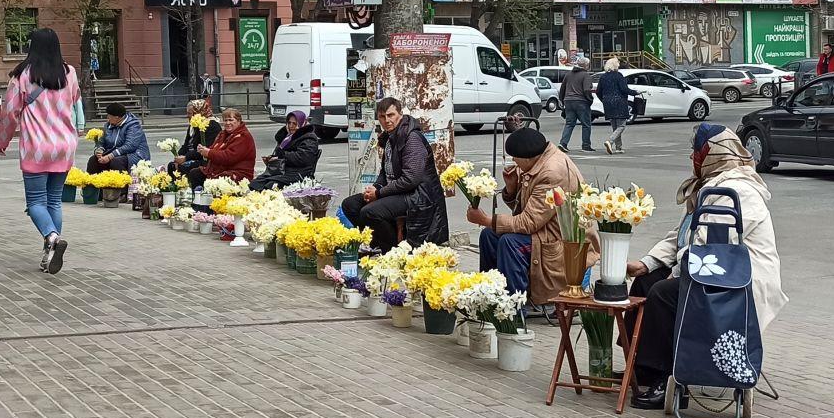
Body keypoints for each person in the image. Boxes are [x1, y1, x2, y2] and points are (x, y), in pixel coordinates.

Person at [622, 124, 786, 410]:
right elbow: (682, 234)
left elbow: (709, 247)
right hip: (711, 268)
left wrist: (674, 274)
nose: (692, 159)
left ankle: (669, 376)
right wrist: (647, 263)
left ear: (711, 155)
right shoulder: (709, 185)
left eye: (696, 153)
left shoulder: (738, 190)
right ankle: (643, 368)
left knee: (663, 293)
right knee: (645, 284)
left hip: (738, 279)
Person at [467, 126, 589, 315]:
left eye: (515, 158)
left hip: (560, 240)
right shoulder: (536, 161)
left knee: (510, 242)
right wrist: (511, 188)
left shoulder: (551, 172)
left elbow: (527, 222)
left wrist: (485, 219)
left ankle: (513, 309)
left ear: (527, 158)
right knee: (489, 236)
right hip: (542, 231)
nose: (513, 162)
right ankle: (491, 299)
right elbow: (525, 211)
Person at [0, 28, 84, 274]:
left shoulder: (23, 76)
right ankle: (49, 253)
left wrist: (2, 141)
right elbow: (75, 99)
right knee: (54, 200)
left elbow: (10, 113)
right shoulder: (70, 73)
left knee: (36, 201)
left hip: (37, 147)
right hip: (64, 146)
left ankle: (52, 238)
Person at [340, 97, 447, 250]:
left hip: (418, 195)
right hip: (399, 192)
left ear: (400, 114)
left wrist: (380, 193)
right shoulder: (390, 138)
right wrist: (375, 187)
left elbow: (411, 179)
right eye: (382, 117)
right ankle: (377, 242)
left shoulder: (412, 138)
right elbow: (386, 171)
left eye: (391, 115)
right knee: (350, 205)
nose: (387, 120)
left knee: (369, 212)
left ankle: (393, 248)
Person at [251, 111, 321, 189]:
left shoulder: (309, 138)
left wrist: (283, 156)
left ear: (301, 124)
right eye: (289, 123)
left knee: (271, 185)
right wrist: (272, 159)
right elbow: (279, 154)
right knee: (255, 183)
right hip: (282, 170)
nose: (291, 126)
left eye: (294, 123)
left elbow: (303, 158)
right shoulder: (287, 137)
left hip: (298, 172)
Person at [189, 108, 257, 186]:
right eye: (225, 120)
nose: (227, 123)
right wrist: (203, 150)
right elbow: (214, 148)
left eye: (231, 120)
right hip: (219, 170)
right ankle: (199, 196)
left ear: (239, 121)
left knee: (221, 178)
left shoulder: (243, 136)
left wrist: (209, 153)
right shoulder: (222, 134)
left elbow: (229, 157)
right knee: (195, 173)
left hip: (237, 172)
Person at [86, 103, 149, 173]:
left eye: (109, 116)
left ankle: (121, 183)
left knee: (115, 162)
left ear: (117, 117)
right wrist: (99, 150)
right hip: (115, 153)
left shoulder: (133, 126)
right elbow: (102, 141)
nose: (107, 118)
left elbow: (130, 146)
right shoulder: (108, 125)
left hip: (133, 154)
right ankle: (92, 182)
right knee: (93, 160)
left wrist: (110, 156)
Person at [558, 55, 596, 153]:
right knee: (586, 124)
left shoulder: (569, 74)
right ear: (586, 65)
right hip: (581, 101)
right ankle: (586, 145)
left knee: (569, 124)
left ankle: (563, 143)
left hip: (568, 101)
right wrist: (590, 100)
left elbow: (562, 89)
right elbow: (587, 89)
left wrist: (562, 101)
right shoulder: (586, 75)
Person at [171, 98, 217, 174]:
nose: (187, 116)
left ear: (198, 113)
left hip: (203, 159)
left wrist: (186, 158)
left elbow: (207, 148)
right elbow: (186, 144)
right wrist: (179, 156)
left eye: (190, 113)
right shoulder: (193, 124)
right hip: (190, 156)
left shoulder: (211, 125)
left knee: (187, 168)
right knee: (172, 166)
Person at [596, 58, 632, 154]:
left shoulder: (603, 77)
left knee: (615, 126)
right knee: (621, 126)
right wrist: (635, 92)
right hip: (619, 102)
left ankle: (618, 147)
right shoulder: (619, 76)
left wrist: (604, 100)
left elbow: (598, 91)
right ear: (615, 65)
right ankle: (610, 141)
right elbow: (624, 89)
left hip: (608, 103)